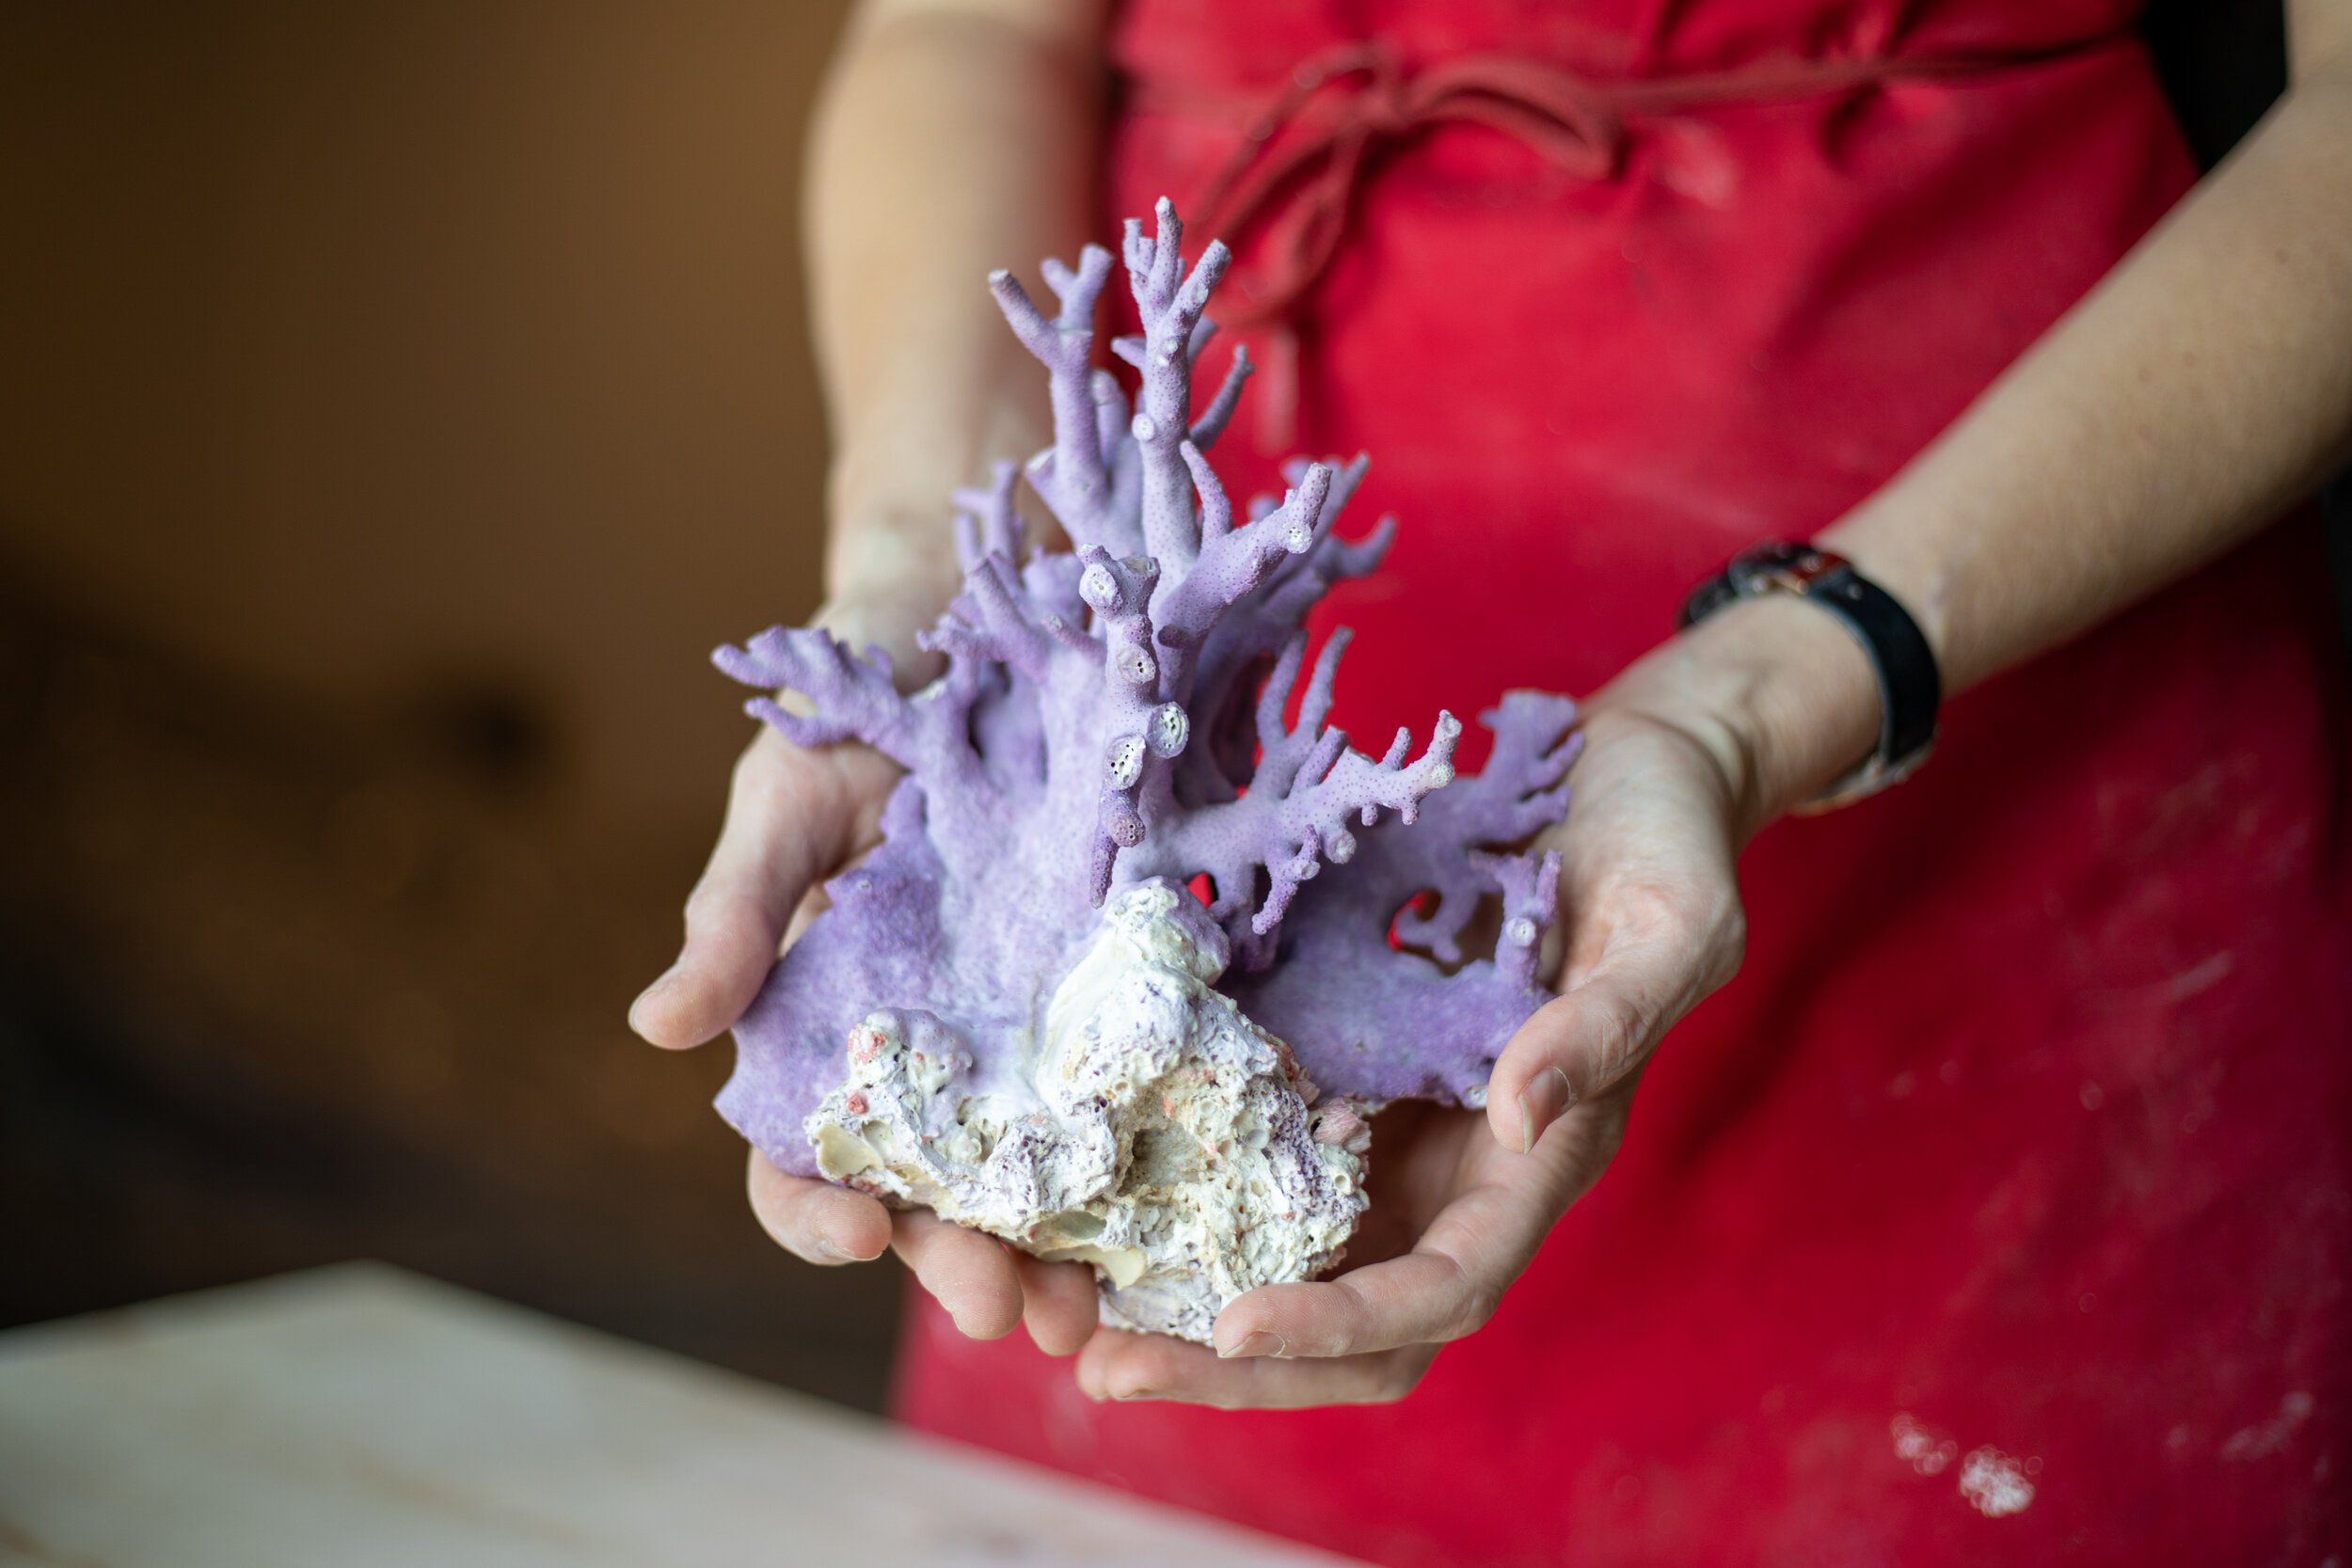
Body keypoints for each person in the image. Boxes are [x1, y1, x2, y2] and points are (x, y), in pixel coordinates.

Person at [632, 0, 2352, 1558]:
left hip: (2009, 669)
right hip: (1168, 687)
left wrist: (1770, 695)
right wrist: (921, 595)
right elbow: (969, 34)